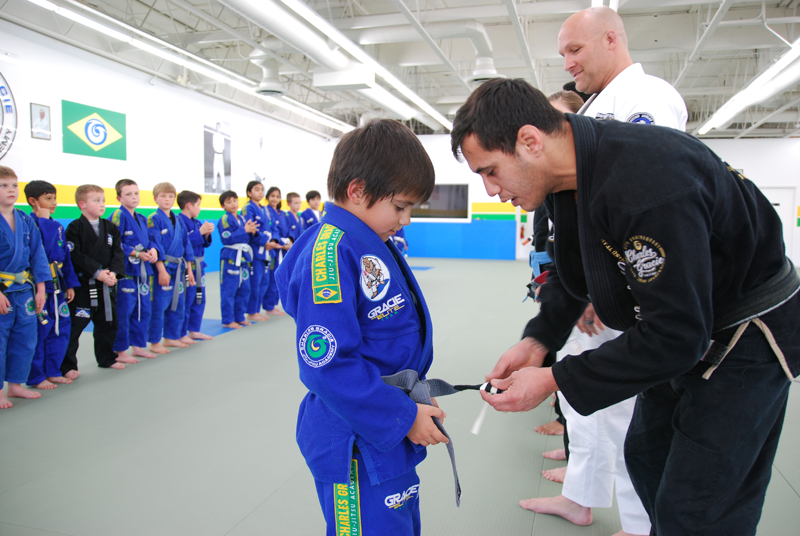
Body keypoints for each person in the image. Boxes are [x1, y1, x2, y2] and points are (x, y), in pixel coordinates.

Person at [451, 77, 800, 536]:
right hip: (682, 323)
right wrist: (540, 340)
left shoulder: (648, 179)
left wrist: (555, 378)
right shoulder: (564, 182)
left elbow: (678, 334)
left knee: (699, 506)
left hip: (747, 331)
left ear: (530, 141)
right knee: (646, 457)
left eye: (491, 170)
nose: (491, 190)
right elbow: (576, 276)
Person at [520, 8, 690, 532]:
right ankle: (583, 494)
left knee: (627, 417)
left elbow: (643, 197)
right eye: (563, 54)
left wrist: (603, 286)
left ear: (612, 39)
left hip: (637, 282)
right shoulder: (594, 108)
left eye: (575, 50)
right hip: (601, 281)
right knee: (582, 392)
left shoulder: (648, 99)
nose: (568, 63)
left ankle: (640, 523)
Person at [275, 119, 444, 536]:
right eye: (400, 206)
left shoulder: (369, 242)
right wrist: (404, 416)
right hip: (354, 437)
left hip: (380, 429)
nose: (405, 220)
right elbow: (327, 365)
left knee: (397, 526)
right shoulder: (330, 253)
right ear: (357, 191)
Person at [0, 166, 50, 408]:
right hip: (2, 290)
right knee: (0, 341)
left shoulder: (25, 220)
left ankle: (16, 384)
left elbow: (38, 256)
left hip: (25, 290)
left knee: (26, 338)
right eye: (3, 186)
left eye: (13, 185)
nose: (11, 190)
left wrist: (41, 288)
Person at [63, 184, 126, 373]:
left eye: (103, 201)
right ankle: (67, 366)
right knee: (75, 328)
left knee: (108, 323)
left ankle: (107, 358)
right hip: (84, 286)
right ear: (82, 204)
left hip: (107, 285)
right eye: (96, 201)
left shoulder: (110, 227)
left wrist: (113, 273)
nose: (102, 204)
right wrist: (97, 273)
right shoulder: (75, 227)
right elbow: (75, 255)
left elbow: (118, 252)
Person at [24, 180, 79, 389]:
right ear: (33, 201)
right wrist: (44, 221)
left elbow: (65, 257)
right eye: (48, 199)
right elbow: (42, 253)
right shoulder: (30, 224)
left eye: (55, 198)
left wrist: (70, 284)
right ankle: (36, 376)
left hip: (59, 286)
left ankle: (53, 370)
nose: (54, 202)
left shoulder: (56, 226)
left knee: (61, 328)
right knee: (41, 331)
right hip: (40, 287)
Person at [110, 179, 159, 361]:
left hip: (143, 272)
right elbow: (114, 242)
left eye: (136, 193)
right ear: (119, 197)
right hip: (126, 272)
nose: (133, 197)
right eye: (128, 194)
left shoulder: (141, 218)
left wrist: (153, 250)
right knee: (124, 311)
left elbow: (151, 240)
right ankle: (120, 350)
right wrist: (135, 253)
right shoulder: (117, 216)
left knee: (143, 309)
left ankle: (138, 346)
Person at [147, 182, 196, 353]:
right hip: (164, 267)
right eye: (163, 196)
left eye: (170, 196)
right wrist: (161, 269)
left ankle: (171, 337)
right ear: (155, 199)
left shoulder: (177, 220)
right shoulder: (153, 218)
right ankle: (155, 342)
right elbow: (155, 244)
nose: (167, 199)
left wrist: (189, 270)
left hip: (179, 268)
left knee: (178, 304)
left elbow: (186, 244)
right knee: (160, 305)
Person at [177, 190, 214, 341]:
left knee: (200, 297)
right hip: (188, 265)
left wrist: (206, 234)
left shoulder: (197, 221)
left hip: (200, 264)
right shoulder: (179, 221)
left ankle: (194, 329)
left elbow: (204, 243)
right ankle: (181, 332)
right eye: (198, 205)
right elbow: (182, 243)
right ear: (189, 205)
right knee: (188, 298)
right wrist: (200, 232)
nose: (199, 208)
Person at [217, 190, 256, 329]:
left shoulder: (243, 218)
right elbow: (226, 238)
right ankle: (228, 320)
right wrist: (244, 231)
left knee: (244, 288)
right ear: (223, 206)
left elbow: (249, 236)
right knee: (229, 289)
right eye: (228, 202)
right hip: (231, 256)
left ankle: (239, 317)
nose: (233, 204)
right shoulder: (225, 219)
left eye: (234, 200)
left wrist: (252, 231)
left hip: (243, 257)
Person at [242, 181, 277, 322]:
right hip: (255, 251)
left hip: (267, 251)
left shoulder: (266, 210)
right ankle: (252, 311)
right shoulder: (247, 208)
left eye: (262, 190)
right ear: (249, 193)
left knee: (264, 282)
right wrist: (264, 241)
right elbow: (252, 228)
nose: (260, 192)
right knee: (255, 282)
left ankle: (257, 310)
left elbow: (273, 227)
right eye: (256, 190)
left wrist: (274, 241)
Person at [263, 186, 290, 315]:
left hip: (283, 248)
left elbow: (289, 230)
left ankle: (274, 303)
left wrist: (289, 241)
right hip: (274, 248)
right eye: (272, 196)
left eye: (277, 196)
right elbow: (272, 229)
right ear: (268, 197)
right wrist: (277, 241)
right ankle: (269, 306)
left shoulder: (283, 213)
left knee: (280, 277)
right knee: (272, 277)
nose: (275, 199)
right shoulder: (266, 211)